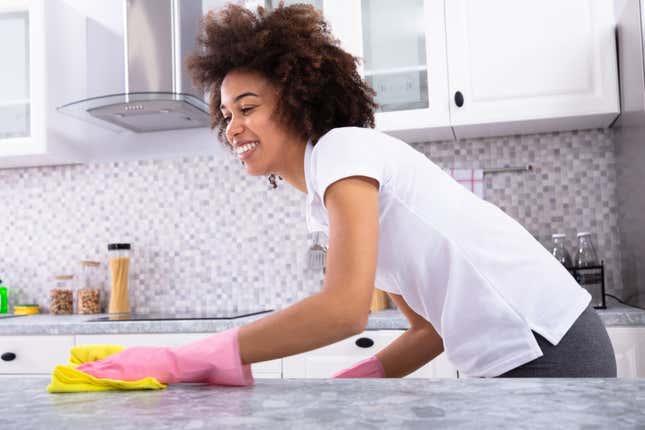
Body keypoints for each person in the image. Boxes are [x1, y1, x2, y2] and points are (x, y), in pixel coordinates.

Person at [76, 3, 616, 385]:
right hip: (522, 355)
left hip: (550, 347)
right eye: (225, 115)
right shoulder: (325, 193)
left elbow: (343, 311)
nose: (233, 127)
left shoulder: (342, 149)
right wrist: (354, 381)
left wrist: (184, 358)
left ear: (296, 97)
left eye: (246, 107)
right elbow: (427, 329)